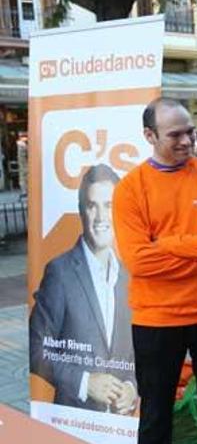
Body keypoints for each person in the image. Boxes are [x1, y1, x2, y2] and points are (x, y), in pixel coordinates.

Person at [113, 98, 197, 444]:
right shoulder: (130, 189)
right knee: (155, 415)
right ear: (149, 135)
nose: (187, 141)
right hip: (157, 320)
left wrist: (166, 244)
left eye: (190, 131)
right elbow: (139, 261)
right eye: (175, 135)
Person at [29, 163, 137, 414]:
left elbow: (138, 351)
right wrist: (85, 382)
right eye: (92, 206)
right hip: (74, 420)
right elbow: (37, 348)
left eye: (109, 205)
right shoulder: (60, 272)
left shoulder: (129, 275)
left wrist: (132, 387)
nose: (100, 217)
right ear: (81, 212)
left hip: (121, 427)